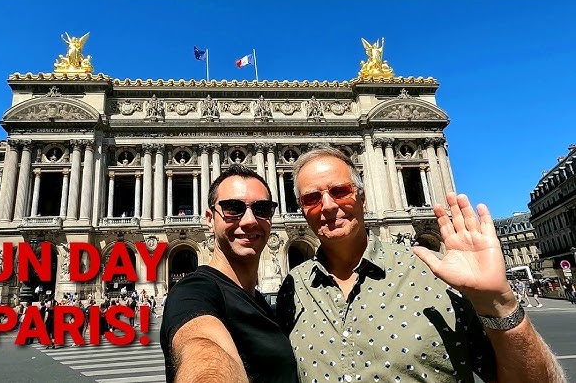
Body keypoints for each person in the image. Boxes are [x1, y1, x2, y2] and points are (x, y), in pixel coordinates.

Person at [276, 147, 565, 382]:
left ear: (362, 197)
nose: (327, 206)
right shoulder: (293, 288)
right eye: (312, 198)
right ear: (301, 209)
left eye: (340, 191)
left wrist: (499, 303)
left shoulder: (438, 274)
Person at [161, 164, 298, 383]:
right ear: (209, 219)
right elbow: (202, 349)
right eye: (232, 208)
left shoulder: (261, 302)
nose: (249, 220)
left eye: (262, 209)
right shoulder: (193, 292)